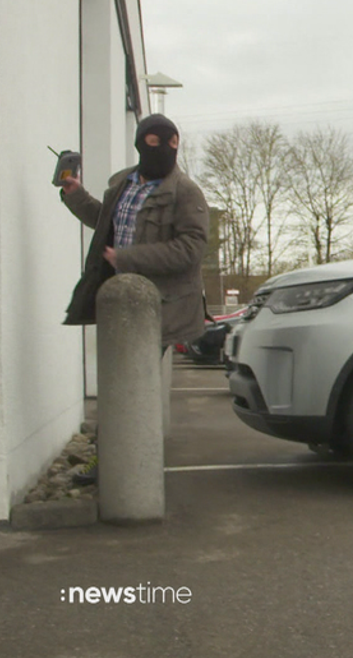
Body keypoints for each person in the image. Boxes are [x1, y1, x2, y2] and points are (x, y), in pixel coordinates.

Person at [58, 113, 210, 485]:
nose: (164, 150)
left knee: (131, 389)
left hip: (159, 309)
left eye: (172, 142)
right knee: (116, 384)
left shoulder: (185, 192)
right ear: (141, 144)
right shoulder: (121, 184)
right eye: (155, 142)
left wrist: (128, 258)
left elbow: (191, 248)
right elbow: (105, 221)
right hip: (117, 303)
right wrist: (75, 196)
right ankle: (119, 462)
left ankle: (120, 467)